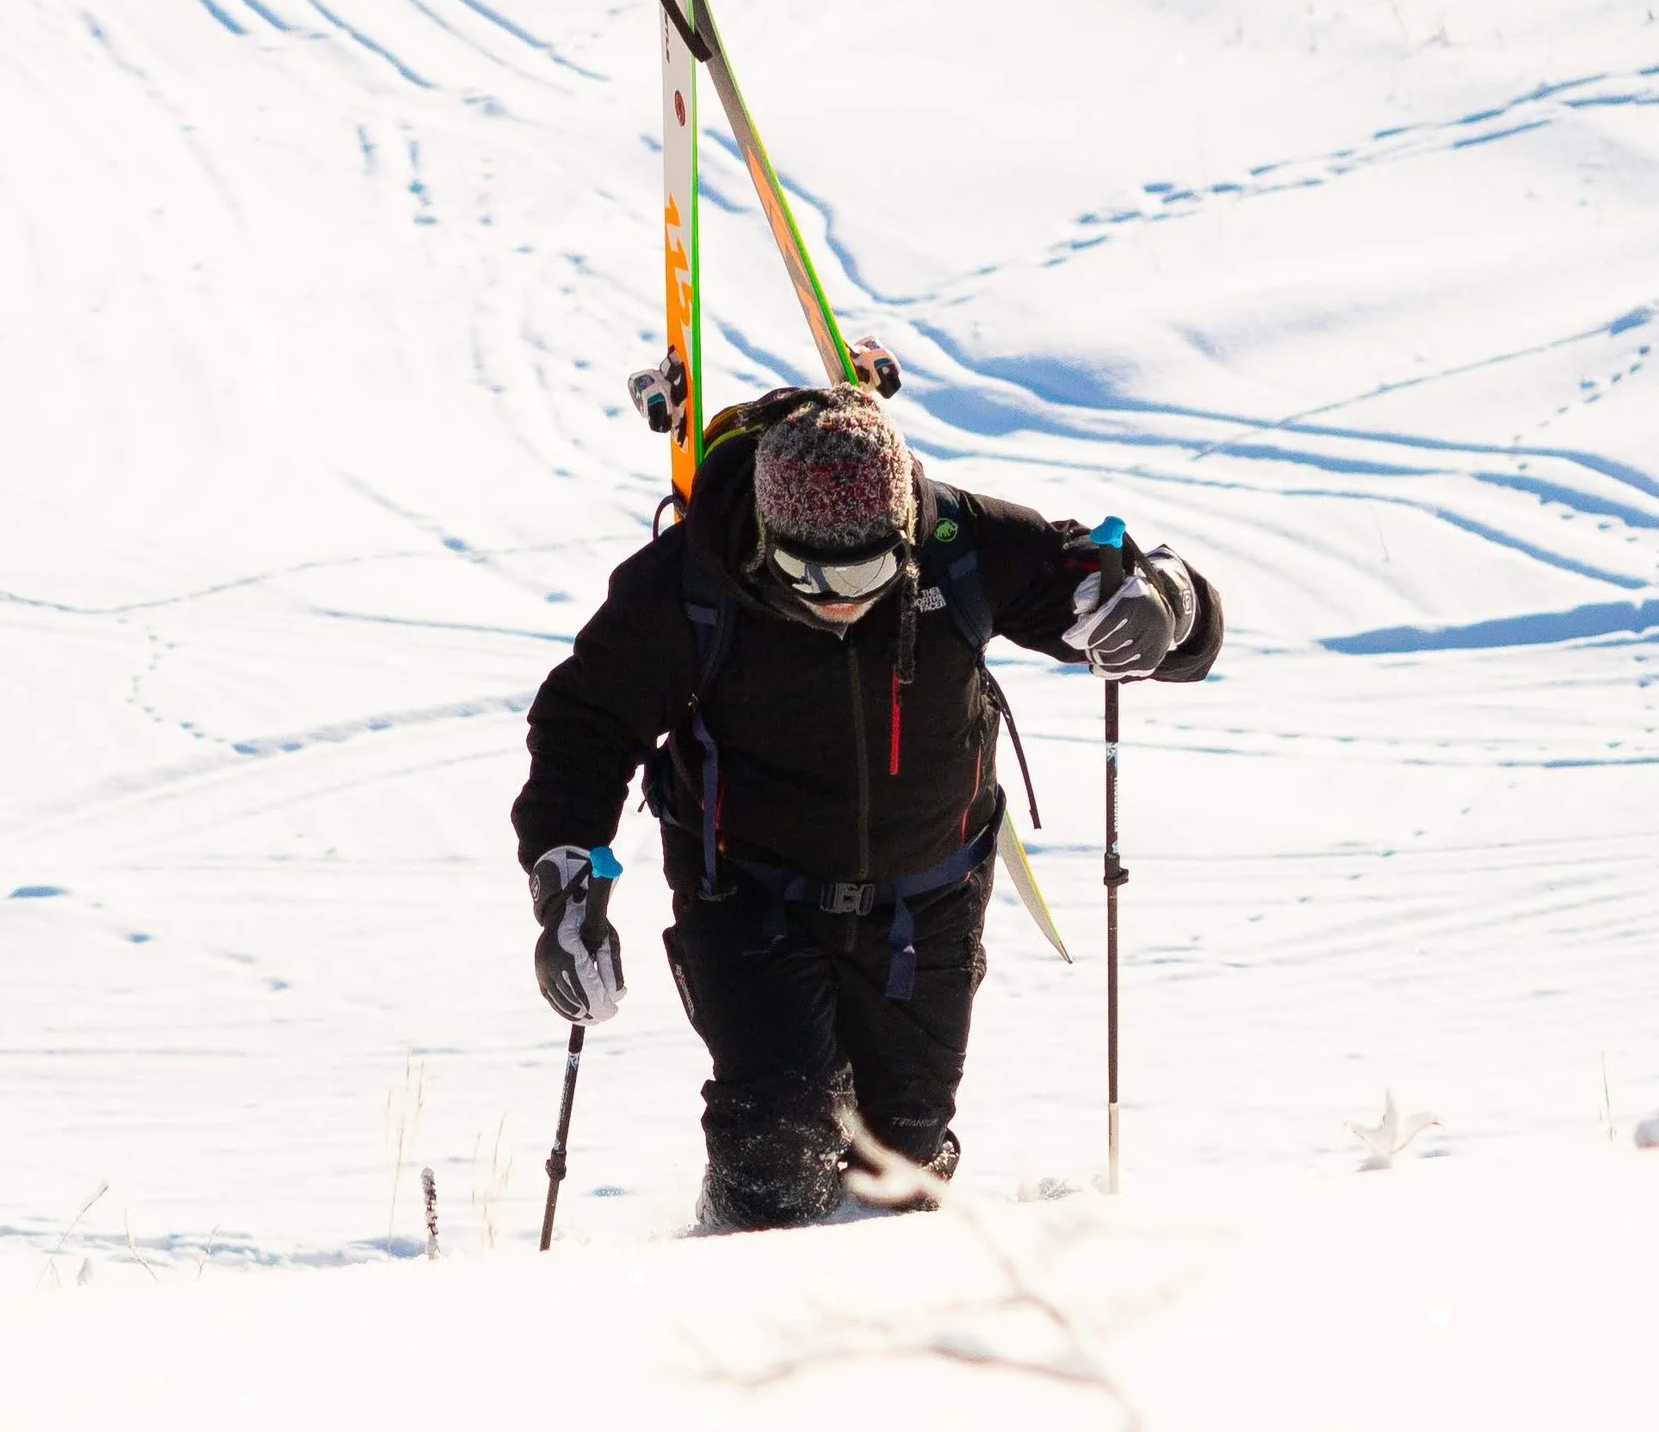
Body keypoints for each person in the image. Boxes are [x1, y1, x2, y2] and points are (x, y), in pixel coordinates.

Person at [514, 375, 1223, 1227]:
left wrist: (1165, 606)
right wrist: (563, 877)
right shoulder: (691, 582)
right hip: (748, 893)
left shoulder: (964, 547)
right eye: (805, 575)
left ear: (905, 535)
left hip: (929, 900)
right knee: (775, 1150)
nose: (841, 598)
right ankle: (731, 1274)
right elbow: (585, 724)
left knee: (904, 1169)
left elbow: (1176, 621)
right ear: (767, 536)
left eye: (871, 572)